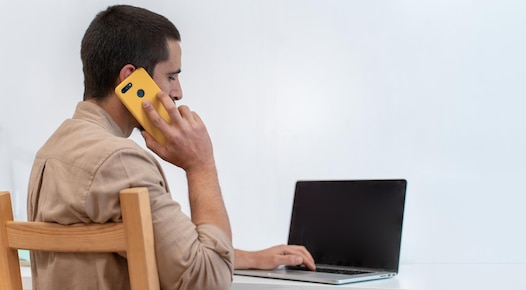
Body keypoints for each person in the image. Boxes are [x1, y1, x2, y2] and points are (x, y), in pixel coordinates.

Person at [27, 5, 314, 290]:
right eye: (171, 76)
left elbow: (149, 250)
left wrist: (246, 258)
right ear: (131, 79)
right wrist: (201, 165)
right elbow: (208, 281)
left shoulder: (51, 152)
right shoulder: (119, 160)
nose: (178, 92)